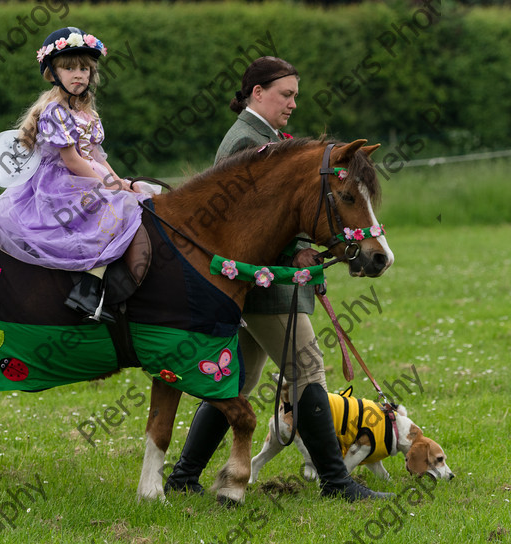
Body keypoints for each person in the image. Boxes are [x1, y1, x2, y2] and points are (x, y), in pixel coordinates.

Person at [164, 57, 392, 501]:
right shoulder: (246, 142)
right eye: (285, 95)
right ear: (257, 93)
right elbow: (244, 225)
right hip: (263, 286)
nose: (292, 104)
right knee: (308, 371)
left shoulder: (269, 139)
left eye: (295, 96)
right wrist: (294, 253)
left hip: (270, 283)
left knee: (238, 383)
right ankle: (336, 481)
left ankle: (183, 478)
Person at [0, 26, 148, 323]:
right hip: (61, 182)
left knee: (138, 197)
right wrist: (108, 186)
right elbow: (72, 160)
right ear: (53, 73)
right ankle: (86, 292)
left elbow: (97, 156)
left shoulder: (89, 114)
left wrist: (120, 181)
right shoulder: (54, 111)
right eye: (69, 68)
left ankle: (125, 292)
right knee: (111, 211)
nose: (79, 74)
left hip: (89, 174)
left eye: (85, 69)